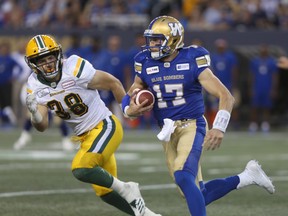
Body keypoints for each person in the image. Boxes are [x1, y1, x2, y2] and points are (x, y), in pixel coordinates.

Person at [121, 16, 275, 216]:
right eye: (150, 40)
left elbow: (225, 96)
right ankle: (247, 177)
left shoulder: (192, 58)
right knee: (194, 192)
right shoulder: (144, 61)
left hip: (191, 126)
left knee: (183, 175)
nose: (152, 45)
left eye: (157, 40)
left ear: (173, 39)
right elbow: (133, 89)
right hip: (167, 131)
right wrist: (128, 109)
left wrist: (219, 127)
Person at [24, 34, 160, 216]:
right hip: (86, 138)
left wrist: (126, 110)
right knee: (104, 192)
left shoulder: (73, 68)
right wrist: (34, 114)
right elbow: (42, 125)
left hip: (105, 126)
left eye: (50, 57)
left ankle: (127, 188)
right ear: (33, 64)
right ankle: (148, 215)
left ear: (58, 55)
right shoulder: (34, 83)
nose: (48, 63)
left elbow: (113, 83)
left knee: (81, 168)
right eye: (41, 60)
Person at [248, 44, 278, 133]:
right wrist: (251, 87)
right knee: (254, 106)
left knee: (266, 106)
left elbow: (275, 76)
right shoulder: (255, 61)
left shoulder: (272, 62)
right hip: (257, 87)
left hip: (267, 87)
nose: (263, 51)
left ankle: (265, 124)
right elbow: (251, 76)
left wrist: (274, 88)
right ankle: (253, 124)